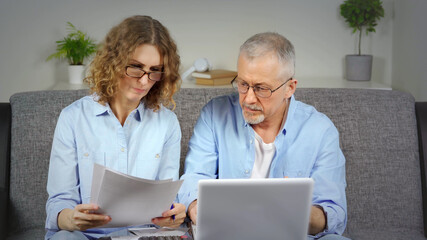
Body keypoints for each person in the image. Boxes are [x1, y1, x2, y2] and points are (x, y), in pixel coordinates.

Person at [178, 32, 348, 239]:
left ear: (289, 88)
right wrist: (197, 206)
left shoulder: (320, 130)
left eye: (261, 88)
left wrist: (296, 211)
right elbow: (194, 177)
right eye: (242, 84)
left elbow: (333, 214)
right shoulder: (214, 115)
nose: (248, 98)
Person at [45, 15, 186, 240]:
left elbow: (168, 201)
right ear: (114, 62)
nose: (144, 81)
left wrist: (174, 214)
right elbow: (58, 203)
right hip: (85, 236)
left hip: (143, 235)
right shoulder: (73, 118)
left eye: (154, 70)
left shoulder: (167, 123)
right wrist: (71, 217)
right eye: (136, 68)